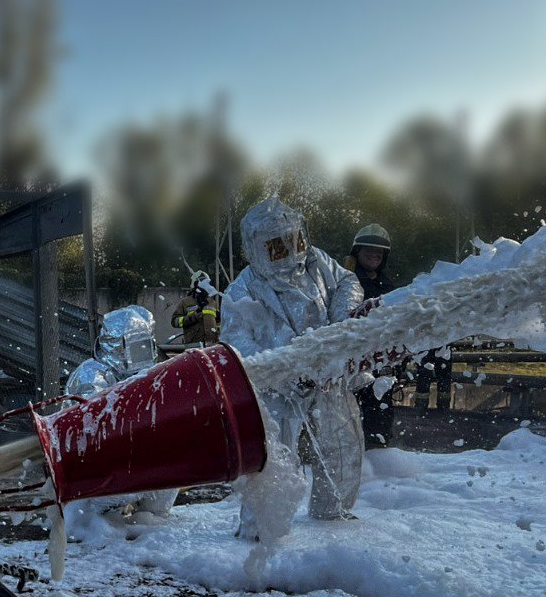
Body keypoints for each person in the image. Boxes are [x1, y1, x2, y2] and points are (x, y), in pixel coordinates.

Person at [221, 196, 365, 522]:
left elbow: (347, 282)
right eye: (277, 246)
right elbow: (238, 344)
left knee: (341, 444)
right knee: (272, 457)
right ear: (256, 248)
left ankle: (333, 515)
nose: (289, 251)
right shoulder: (241, 290)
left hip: (327, 375)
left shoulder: (316, 263)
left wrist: (341, 321)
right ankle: (261, 528)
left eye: (294, 240)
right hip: (277, 390)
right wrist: (284, 372)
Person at [65, 306, 176, 522]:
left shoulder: (142, 374)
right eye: (137, 346)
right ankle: (90, 521)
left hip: (127, 456)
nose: (144, 352)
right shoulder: (92, 376)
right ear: (118, 347)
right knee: (138, 480)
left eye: (146, 344)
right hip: (91, 467)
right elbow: (95, 433)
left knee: (170, 471)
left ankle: (150, 521)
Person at [344, 224, 398, 445]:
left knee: (381, 413)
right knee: (349, 414)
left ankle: (379, 458)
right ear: (357, 252)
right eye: (369, 251)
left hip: (381, 361)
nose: (374, 256)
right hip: (353, 362)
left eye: (379, 253)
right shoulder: (346, 282)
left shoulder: (388, 285)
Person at [170, 270, 222, 346]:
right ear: (195, 284)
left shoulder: (212, 302)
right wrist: (193, 317)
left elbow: (218, 326)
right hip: (193, 345)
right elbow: (174, 322)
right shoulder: (186, 302)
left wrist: (218, 320)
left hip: (211, 345)